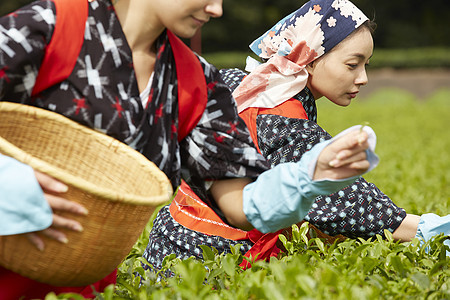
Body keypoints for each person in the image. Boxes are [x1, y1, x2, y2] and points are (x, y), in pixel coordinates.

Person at [0, 0, 377, 298]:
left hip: (83, 287)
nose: (216, 9)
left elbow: (239, 204)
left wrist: (310, 177)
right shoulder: (50, 27)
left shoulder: (195, 80)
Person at [219, 0, 450, 249]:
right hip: (216, 254)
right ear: (308, 58)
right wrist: (429, 232)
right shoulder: (283, 119)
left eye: (366, 65)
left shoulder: (241, 83)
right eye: (352, 65)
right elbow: (345, 202)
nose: (363, 78)